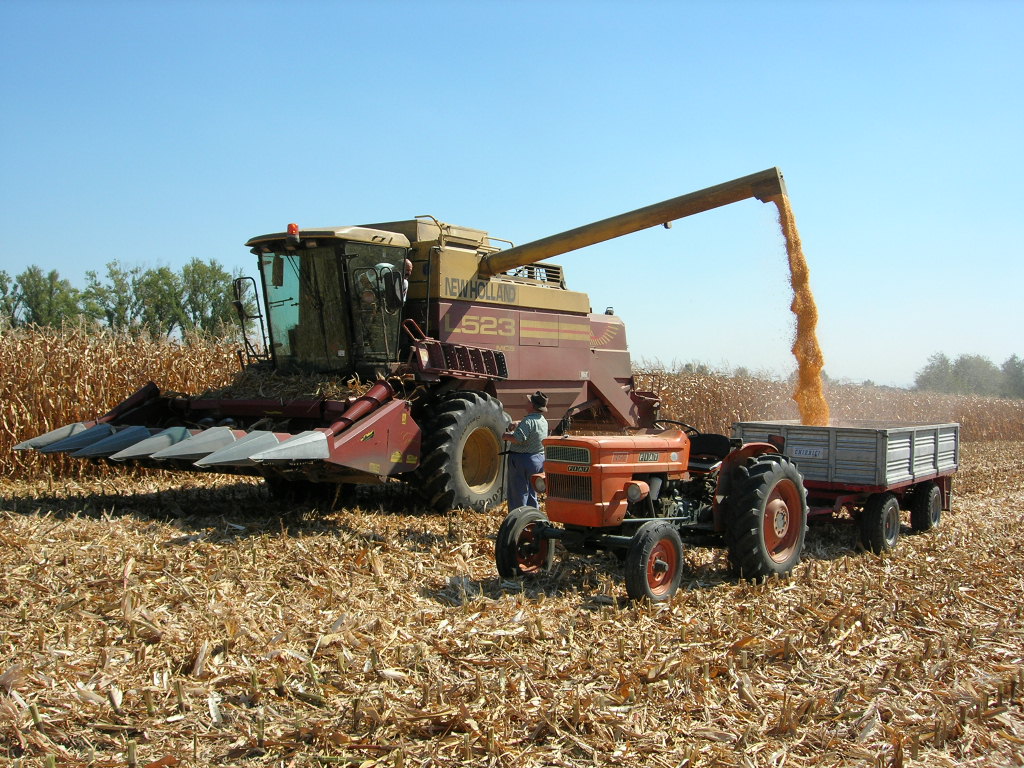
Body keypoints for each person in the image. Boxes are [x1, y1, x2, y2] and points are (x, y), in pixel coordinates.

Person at [504, 391, 549, 508]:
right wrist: (519, 423)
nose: (526, 403)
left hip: (521, 460)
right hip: (538, 459)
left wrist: (505, 436)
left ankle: (518, 519)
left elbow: (518, 438)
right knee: (532, 492)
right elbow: (533, 426)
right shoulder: (543, 421)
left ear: (532, 406)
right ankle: (533, 517)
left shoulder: (528, 421)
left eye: (528, 402)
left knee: (518, 493)